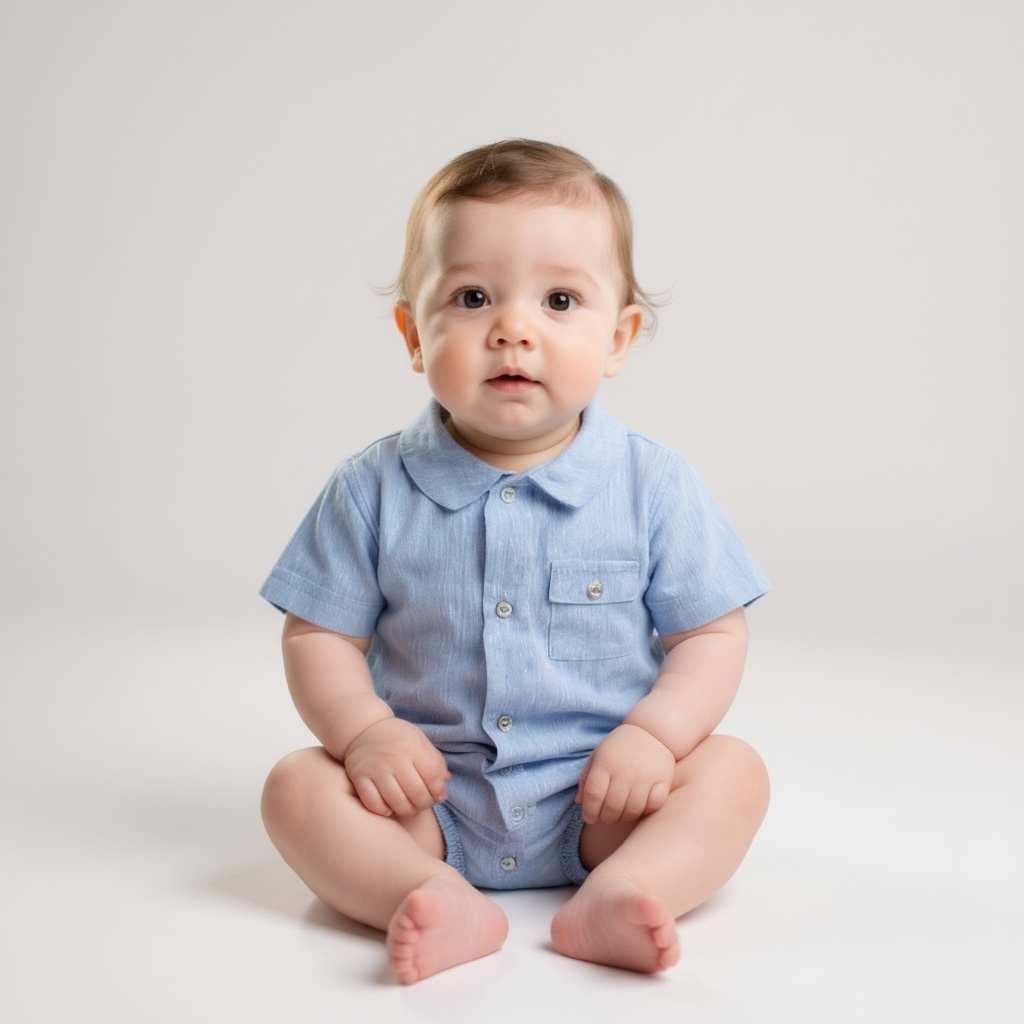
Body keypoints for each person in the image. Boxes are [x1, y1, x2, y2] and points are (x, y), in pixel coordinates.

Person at [259, 139, 770, 984]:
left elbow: (711, 634)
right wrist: (366, 734)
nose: (513, 329)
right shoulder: (370, 487)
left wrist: (654, 736)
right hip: (425, 800)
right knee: (295, 788)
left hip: (603, 798)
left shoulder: (654, 484)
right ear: (413, 334)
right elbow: (319, 636)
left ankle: (630, 887)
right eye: (472, 298)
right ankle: (425, 892)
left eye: (560, 300)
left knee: (734, 773)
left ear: (618, 338)